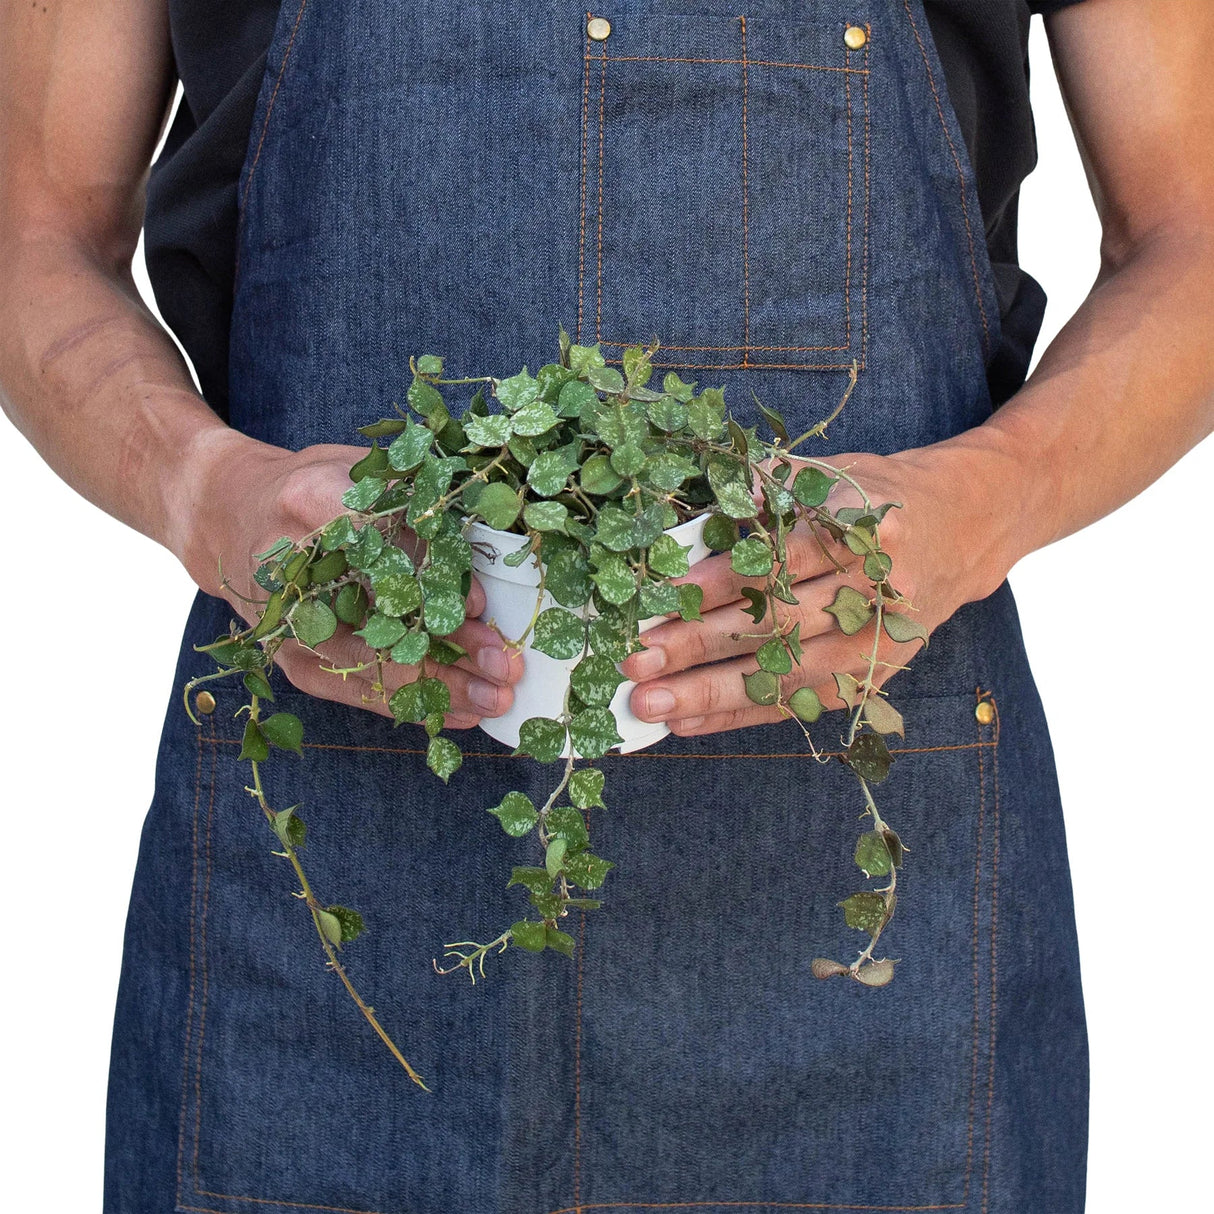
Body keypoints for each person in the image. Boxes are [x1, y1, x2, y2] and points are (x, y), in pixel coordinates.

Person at [1, 1, 1211, 1211]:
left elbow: (1188, 229)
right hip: (334, 899)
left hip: (868, 916)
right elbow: (35, 229)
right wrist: (201, 487)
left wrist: (981, 503)